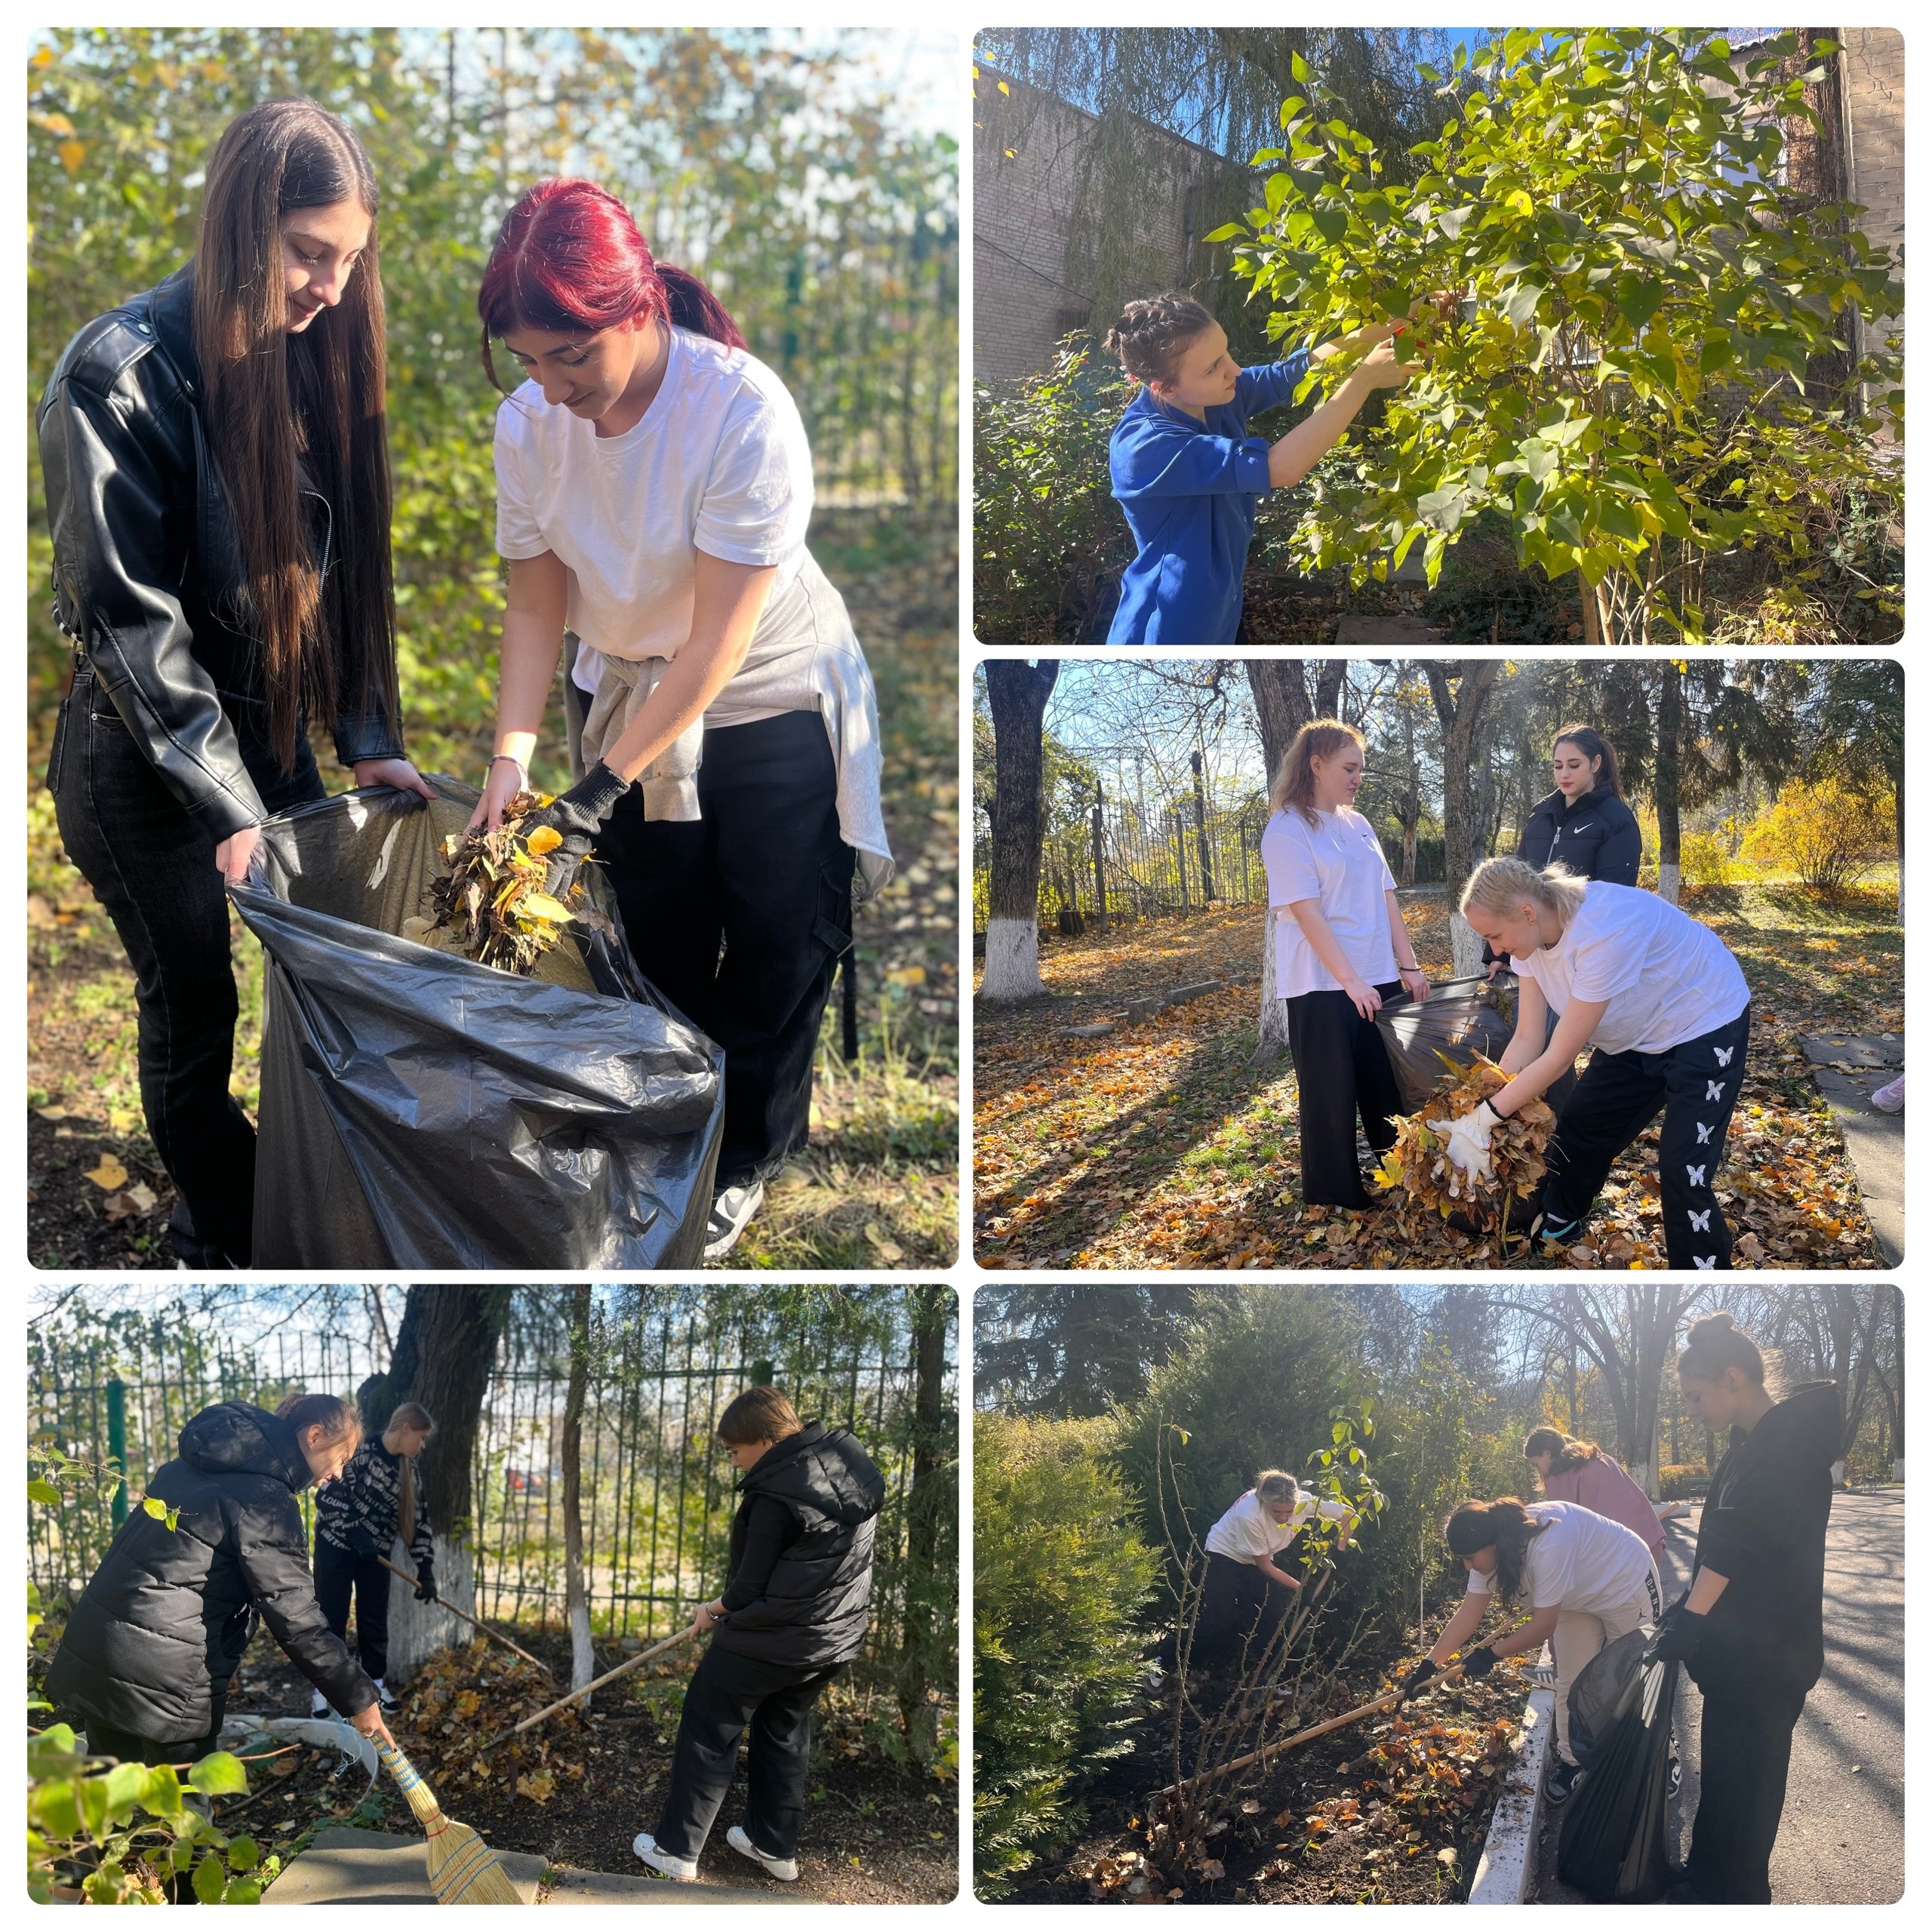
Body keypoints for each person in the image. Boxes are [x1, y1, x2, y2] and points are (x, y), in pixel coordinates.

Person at [36, 100, 434, 1269]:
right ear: (239, 225)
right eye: (310, 252)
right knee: (194, 1003)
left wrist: (365, 734)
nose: (328, 285)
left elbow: (352, 564)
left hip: (270, 750)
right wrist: (229, 808)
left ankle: (315, 1191)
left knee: (330, 975)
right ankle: (225, 1224)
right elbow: (126, 620)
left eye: (348, 259)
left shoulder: (315, 360)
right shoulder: (118, 375)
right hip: (140, 766)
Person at [469, 179, 893, 1260]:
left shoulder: (741, 413)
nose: (550, 387)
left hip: (768, 701)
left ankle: (745, 1155)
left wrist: (597, 789)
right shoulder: (529, 426)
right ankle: (671, 1132)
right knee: (655, 936)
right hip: (621, 690)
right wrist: (512, 765)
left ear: (638, 309)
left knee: (770, 941)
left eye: (571, 356)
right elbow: (534, 603)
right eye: (527, 360)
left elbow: (715, 646)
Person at [45, 1394, 398, 1770]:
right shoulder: (268, 1500)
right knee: (189, 1805)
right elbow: (298, 1619)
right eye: (342, 1458)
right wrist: (359, 1699)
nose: (340, 1474)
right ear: (314, 1436)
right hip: (167, 1668)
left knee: (105, 1790)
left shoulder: (184, 1467)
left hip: (100, 1642)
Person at [1445, 857, 1752, 1266]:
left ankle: (1704, 1277)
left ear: (1527, 912)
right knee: (1579, 1130)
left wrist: (1485, 1119)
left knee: (1683, 1168)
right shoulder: (1530, 939)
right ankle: (1562, 1221)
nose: (1495, 950)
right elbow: (1528, 1037)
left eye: (1496, 936)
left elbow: (1558, 1056)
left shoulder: (1602, 931)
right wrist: (1482, 1098)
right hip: (1636, 1036)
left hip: (1704, 1023)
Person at [632, 1387, 884, 1885]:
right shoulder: (848, 1470)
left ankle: (675, 1850)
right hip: (830, 1641)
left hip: (771, 1640)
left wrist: (711, 1610)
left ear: (767, 1441)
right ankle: (773, 1847)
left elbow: (748, 1588)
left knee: (709, 1725)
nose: (733, 1463)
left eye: (735, 1451)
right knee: (784, 1729)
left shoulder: (776, 1494)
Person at [1103, 294, 1435, 644]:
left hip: (1218, 616)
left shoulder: (1213, 395)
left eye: (1225, 352)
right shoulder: (1143, 448)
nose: (1234, 370)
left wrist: (1407, 316)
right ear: (1163, 387)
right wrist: (1364, 379)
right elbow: (1281, 468)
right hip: (1167, 628)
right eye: (1213, 366)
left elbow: (1292, 372)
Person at [1648, 1313, 1839, 1903]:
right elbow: (1719, 1547)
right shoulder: (1751, 1446)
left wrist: (1693, 1618)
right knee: (1728, 1779)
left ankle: (1737, 1897)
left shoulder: (1787, 1449)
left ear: (1733, 1377)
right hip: (1742, 1655)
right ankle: (1707, 1879)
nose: (1692, 1410)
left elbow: (1741, 1544)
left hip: (1769, 1659)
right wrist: (1686, 1611)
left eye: (1695, 1396)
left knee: (1750, 1790)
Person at [1261, 719, 1432, 1209]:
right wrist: (1350, 981)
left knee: (1389, 1090)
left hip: (1378, 977)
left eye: (1361, 769)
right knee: (1330, 1098)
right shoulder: (1287, 827)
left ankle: (1403, 1176)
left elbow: (1387, 897)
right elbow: (1306, 911)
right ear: (1316, 766)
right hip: (1320, 985)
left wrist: (1410, 966)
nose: (1358, 778)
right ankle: (1336, 1195)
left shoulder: (1359, 825)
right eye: (1349, 768)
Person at [1402, 1497, 1660, 1804]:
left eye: (1471, 1557)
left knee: (1634, 1677)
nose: (1467, 1566)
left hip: (1624, 1583)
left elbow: (1542, 1627)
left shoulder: (1548, 1543)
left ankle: (1662, 1756)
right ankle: (1571, 1761)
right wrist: (1429, 1665)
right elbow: (1469, 1613)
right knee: (1572, 1680)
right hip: (1574, 1597)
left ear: (1494, 1544)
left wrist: (1490, 1655)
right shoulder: (1489, 1550)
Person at [312, 1401, 437, 1718]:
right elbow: (327, 1496)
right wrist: (354, 1532)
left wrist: (426, 1570)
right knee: (331, 1616)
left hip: (375, 1555)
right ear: (405, 1428)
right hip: (336, 1546)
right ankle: (323, 1691)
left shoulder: (409, 1472)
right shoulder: (361, 1452)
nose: (421, 1446)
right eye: (420, 1438)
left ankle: (375, 1686)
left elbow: (419, 1521)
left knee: (373, 1621)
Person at [1195, 1470, 1358, 1679]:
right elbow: (1264, 1566)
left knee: (1272, 1615)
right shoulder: (1250, 1515)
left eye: (1289, 1511)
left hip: (1257, 1555)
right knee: (1220, 1621)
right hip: (1224, 1553)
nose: (1283, 1517)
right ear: (1264, 1502)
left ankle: (1267, 1676)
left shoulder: (1306, 1502)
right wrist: (1302, 1588)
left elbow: (1349, 1514)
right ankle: (1166, 1660)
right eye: (1276, 1512)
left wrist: (1340, 1551)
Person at [1523, 1427, 1666, 1565]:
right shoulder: (1601, 1459)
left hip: (1621, 1558)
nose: (1539, 1472)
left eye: (1536, 1465)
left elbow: (1567, 1531)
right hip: (1648, 1542)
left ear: (1547, 1453)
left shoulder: (1558, 1479)